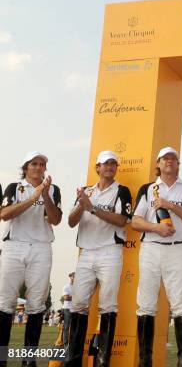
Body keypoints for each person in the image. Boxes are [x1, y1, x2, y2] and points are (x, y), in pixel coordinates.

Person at [132, 146, 182, 367]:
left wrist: (170, 205)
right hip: (151, 247)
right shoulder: (147, 189)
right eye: (165, 158)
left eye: (174, 158)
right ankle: (146, 361)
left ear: (178, 164)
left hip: (176, 248)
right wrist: (155, 227)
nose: (170, 161)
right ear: (158, 164)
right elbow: (135, 221)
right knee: (145, 305)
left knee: (181, 305)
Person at [65, 150, 133, 367]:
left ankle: (103, 361)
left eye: (113, 164)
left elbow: (122, 220)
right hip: (86, 252)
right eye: (105, 164)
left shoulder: (122, 191)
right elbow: (71, 221)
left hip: (110, 251)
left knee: (108, 305)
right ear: (98, 168)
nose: (110, 167)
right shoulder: (85, 191)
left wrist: (92, 208)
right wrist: (82, 204)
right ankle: (73, 359)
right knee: (78, 305)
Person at [0, 151, 62, 367]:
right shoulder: (14, 188)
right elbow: (5, 214)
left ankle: (29, 360)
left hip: (41, 247)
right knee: (5, 303)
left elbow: (54, 219)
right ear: (26, 167)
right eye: (34, 163)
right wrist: (32, 197)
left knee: (36, 305)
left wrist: (44, 196)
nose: (38, 167)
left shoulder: (53, 190)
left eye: (42, 164)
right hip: (14, 246)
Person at [61, 272, 75, 348]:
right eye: (74, 276)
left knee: (74, 327)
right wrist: (76, 297)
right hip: (67, 309)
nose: (75, 278)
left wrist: (72, 297)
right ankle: (66, 344)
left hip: (75, 309)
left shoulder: (78, 287)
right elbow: (66, 298)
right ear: (70, 277)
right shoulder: (66, 286)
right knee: (67, 327)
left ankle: (72, 344)